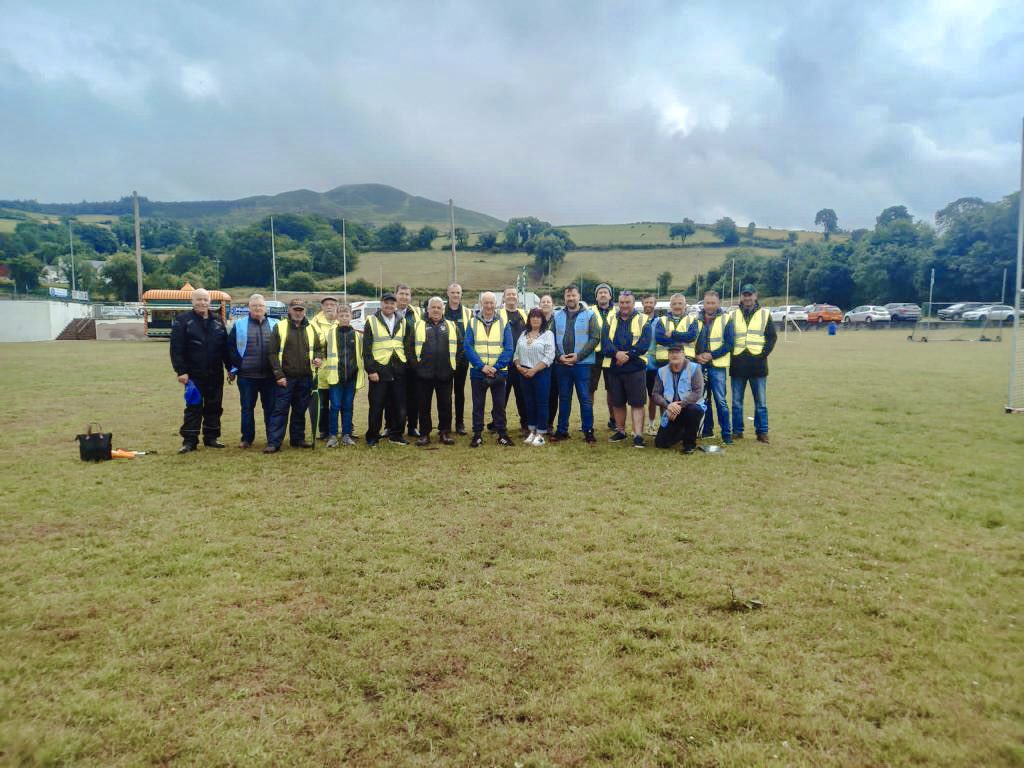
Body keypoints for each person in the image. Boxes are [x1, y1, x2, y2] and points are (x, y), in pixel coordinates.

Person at [170, 287, 231, 453]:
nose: (202, 303)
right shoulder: (183, 321)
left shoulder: (218, 320)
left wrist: (230, 368)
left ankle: (211, 437)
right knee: (193, 407)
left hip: (215, 373)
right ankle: (189, 441)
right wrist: (181, 371)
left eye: (205, 299)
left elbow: (225, 348)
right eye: (199, 299)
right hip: (193, 375)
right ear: (192, 301)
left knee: (214, 406)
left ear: (210, 301)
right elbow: (176, 348)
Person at [265, 298, 324, 453]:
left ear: (304, 311)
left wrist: (319, 357)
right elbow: (271, 353)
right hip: (286, 378)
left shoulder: (311, 328)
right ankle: (274, 442)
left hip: (305, 377)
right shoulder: (280, 327)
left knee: (300, 410)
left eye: (301, 310)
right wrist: (278, 375)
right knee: (280, 410)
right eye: (295, 309)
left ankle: (297, 439)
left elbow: (319, 348)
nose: (298, 312)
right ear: (289, 310)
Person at [602, 290, 653, 448]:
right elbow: (605, 342)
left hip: (635, 368)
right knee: (617, 402)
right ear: (618, 303)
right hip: (614, 368)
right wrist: (616, 353)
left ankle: (638, 435)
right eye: (622, 302)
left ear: (633, 303)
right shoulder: (610, 318)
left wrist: (628, 355)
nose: (624, 305)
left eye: (627, 302)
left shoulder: (643, 319)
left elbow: (644, 344)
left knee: (637, 403)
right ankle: (621, 431)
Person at [464, 291, 515, 447]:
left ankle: (502, 434)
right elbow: (468, 347)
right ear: (481, 304)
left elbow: (509, 348)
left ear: (496, 304)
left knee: (499, 405)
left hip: (499, 372)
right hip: (478, 373)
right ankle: (477, 435)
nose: (488, 306)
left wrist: (496, 367)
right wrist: (482, 366)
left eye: (491, 303)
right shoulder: (472, 323)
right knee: (478, 405)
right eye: (485, 302)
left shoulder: (503, 322)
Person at [227, 293, 278, 449]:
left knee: (270, 409)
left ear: (265, 308)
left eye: (261, 305)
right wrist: (234, 368)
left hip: (270, 377)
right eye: (254, 305)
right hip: (247, 376)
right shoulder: (239, 324)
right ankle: (247, 438)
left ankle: (272, 438)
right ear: (249, 307)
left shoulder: (276, 324)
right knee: (247, 409)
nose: (258, 308)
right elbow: (230, 348)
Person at [551, 283, 599, 443]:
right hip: (562, 364)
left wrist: (578, 357)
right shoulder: (556, 316)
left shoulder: (590, 315)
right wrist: (559, 357)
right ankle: (562, 430)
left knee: (585, 398)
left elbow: (595, 338)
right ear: (564, 298)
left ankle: (588, 431)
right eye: (568, 295)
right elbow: (550, 339)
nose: (571, 298)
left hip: (583, 365)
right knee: (564, 398)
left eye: (573, 295)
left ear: (579, 297)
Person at [363, 291, 411, 446]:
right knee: (377, 405)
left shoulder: (403, 321)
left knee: (400, 405)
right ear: (381, 303)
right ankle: (372, 436)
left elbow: (407, 345)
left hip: (398, 368)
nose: (389, 305)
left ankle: (396, 435)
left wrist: (406, 366)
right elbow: (366, 349)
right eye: (386, 302)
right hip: (380, 369)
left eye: (392, 303)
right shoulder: (371, 321)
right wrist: (371, 370)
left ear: (396, 305)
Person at [730, 283, 777, 443]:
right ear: (741, 297)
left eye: (750, 294)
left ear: (755, 296)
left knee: (761, 403)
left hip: (758, 364)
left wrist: (763, 354)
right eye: (745, 294)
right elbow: (729, 337)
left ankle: (762, 432)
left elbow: (771, 337)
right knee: (736, 402)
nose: (747, 297)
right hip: (738, 363)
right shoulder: (733, 315)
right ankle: (737, 431)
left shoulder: (765, 314)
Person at [410, 296, 458, 446]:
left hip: (445, 374)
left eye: (439, 307)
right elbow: (409, 349)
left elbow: (461, 348)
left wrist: (453, 367)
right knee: (423, 406)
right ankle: (424, 434)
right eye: (433, 307)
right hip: (423, 375)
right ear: (428, 309)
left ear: (443, 309)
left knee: (445, 405)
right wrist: (417, 368)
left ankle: (444, 432)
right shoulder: (418, 325)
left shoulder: (451, 325)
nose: (436, 310)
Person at [320, 303, 366, 448]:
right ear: (337, 317)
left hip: (351, 378)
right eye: (341, 315)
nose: (344, 318)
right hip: (335, 377)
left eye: (347, 315)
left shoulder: (358, 335)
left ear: (351, 316)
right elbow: (320, 350)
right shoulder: (330, 334)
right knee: (335, 406)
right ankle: (332, 436)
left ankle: (346, 435)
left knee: (347, 406)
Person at [653, 292, 698, 434]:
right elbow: (660, 338)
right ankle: (665, 424)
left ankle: (684, 427)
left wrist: (672, 334)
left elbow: (691, 336)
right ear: (670, 306)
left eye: (680, 304)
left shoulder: (692, 320)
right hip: (665, 362)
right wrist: (681, 339)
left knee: (685, 394)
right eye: (674, 304)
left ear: (685, 305)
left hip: (687, 362)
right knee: (665, 395)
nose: (677, 306)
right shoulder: (661, 320)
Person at [693, 290, 735, 444]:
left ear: (718, 303)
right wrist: (697, 356)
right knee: (704, 400)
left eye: (713, 303)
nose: (710, 306)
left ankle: (726, 435)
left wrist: (711, 355)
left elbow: (730, 344)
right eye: (707, 302)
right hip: (700, 365)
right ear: (703, 303)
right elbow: (691, 342)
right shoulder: (695, 319)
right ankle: (707, 431)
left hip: (717, 366)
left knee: (721, 401)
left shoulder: (726, 319)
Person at [652, 347, 705, 454]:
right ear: (668, 355)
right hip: (671, 411)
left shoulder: (695, 368)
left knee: (694, 410)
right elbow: (655, 394)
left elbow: (698, 392)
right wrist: (668, 406)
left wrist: (680, 405)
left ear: (684, 354)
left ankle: (689, 445)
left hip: (689, 407)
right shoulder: (661, 371)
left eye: (677, 352)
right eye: (671, 352)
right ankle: (682, 432)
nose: (674, 355)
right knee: (661, 443)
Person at [514, 308, 555, 445]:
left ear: (543, 319)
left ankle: (541, 433)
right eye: (533, 317)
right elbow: (516, 354)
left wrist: (534, 370)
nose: (535, 319)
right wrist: (519, 366)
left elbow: (549, 356)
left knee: (541, 403)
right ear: (529, 319)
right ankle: (532, 431)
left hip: (541, 373)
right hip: (524, 373)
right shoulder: (524, 334)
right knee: (529, 402)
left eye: (538, 317)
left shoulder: (547, 334)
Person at [497, 286, 528, 436]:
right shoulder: (498, 314)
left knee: (522, 395)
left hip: (520, 363)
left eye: (514, 294)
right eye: (508, 294)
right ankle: (498, 423)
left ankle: (525, 424)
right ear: (503, 298)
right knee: (501, 395)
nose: (511, 296)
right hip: (503, 362)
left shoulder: (524, 314)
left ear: (518, 297)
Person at [444, 282, 474, 434]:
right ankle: (446, 425)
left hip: (462, 360)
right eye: (453, 292)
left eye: (458, 293)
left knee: (459, 392)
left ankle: (460, 423)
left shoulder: (468, 313)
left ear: (461, 295)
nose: (455, 295)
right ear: (448, 293)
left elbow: (471, 337)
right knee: (445, 393)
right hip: (444, 360)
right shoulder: (440, 310)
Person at [308, 296, 339, 439]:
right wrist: (317, 356)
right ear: (322, 307)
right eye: (327, 304)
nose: (330, 307)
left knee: (339, 403)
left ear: (336, 306)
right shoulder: (314, 323)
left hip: (338, 371)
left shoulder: (342, 321)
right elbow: (312, 345)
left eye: (332, 304)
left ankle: (345, 429)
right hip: (321, 371)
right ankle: (323, 431)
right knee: (323, 404)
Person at [395, 283, 422, 438]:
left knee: (414, 396)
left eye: (407, 294)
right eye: (401, 293)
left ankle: (412, 427)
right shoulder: (389, 312)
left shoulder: (416, 313)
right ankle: (390, 426)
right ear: (395, 294)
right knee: (393, 397)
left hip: (413, 362)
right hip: (395, 362)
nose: (404, 297)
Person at [589, 283, 616, 430]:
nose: (603, 295)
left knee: (612, 389)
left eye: (606, 292)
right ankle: (588, 421)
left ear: (610, 296)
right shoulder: (589, 311)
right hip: (593, 355)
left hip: (611, 356)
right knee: (590, 389)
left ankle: (613, 420)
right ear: (596, 296)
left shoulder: (617, 312)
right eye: (600, 293)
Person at [537, 293, 559, 431]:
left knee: (552, 394)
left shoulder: (558, 320)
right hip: (538, 363)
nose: (545, 303)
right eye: (543, 301)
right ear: (539, 305)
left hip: (555, 363)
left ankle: (549, 423)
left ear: (552, 305)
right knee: (538, 394)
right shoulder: (534, 319)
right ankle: (536, 423)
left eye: (548, 301)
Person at [641, 294, 660, 435]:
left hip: (655, 366)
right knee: (638, 398)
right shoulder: (638, 320)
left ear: (655, 304)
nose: (648, 305)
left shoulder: (660, 321)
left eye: (651, 302)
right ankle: (639, 427)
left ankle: (652, 425)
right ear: (642, 304)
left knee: (654, 397)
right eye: (646, 302)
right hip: (640, 365)